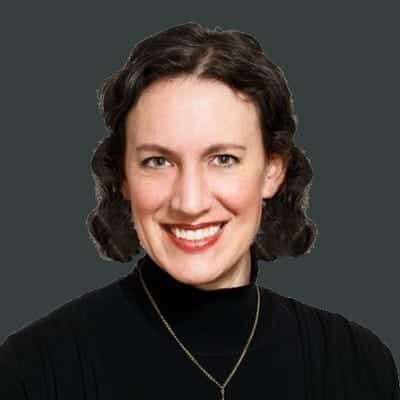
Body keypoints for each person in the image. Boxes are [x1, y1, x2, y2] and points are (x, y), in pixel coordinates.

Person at [0, 21, 398, 399]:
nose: (190, 203)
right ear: (123, 177)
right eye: (158, 161)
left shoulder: (355, 363)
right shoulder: (34, 370)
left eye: (223, 159)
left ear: (272, 170)